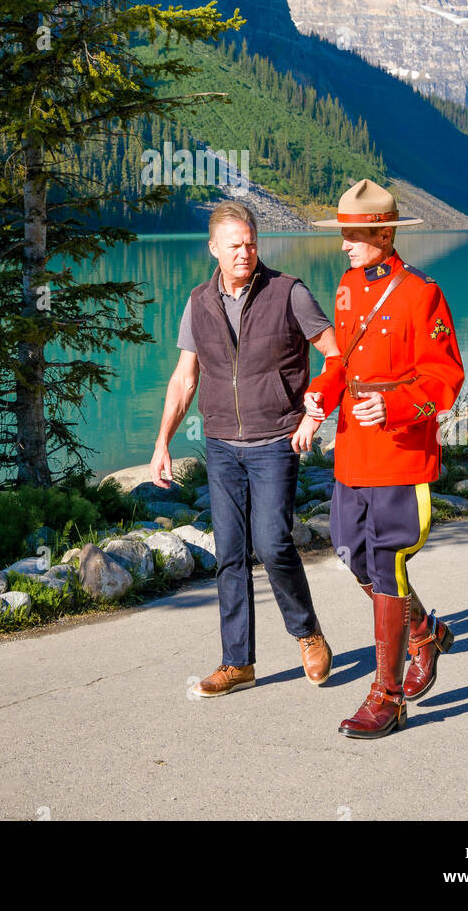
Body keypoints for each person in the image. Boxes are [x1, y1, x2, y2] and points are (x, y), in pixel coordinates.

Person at [150, 200, 339, 696]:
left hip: (276, 438)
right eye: (235, 245)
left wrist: (315, 413)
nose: (245, 253)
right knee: (230, 554)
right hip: (221, 445)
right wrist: (162, 442)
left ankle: (308, 633)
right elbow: (184, 378)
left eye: (251, 243)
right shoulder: (198, 302)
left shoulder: (288, 292)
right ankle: (238, 663)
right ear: (213, 248)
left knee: (273, 543)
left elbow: (336, 354)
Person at [300, 178, 464, 738]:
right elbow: (341, 363)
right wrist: (321, 396)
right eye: (342, 233)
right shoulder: (347, 286)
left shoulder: (421, 293)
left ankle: (387, 696)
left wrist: (393, 406)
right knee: (349, 552)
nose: (344, 243)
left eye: (354, 234)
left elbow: (445, 376)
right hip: (352, 450)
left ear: (384, 233)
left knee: (388, 559)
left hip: (400, 452)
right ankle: (425, 633)